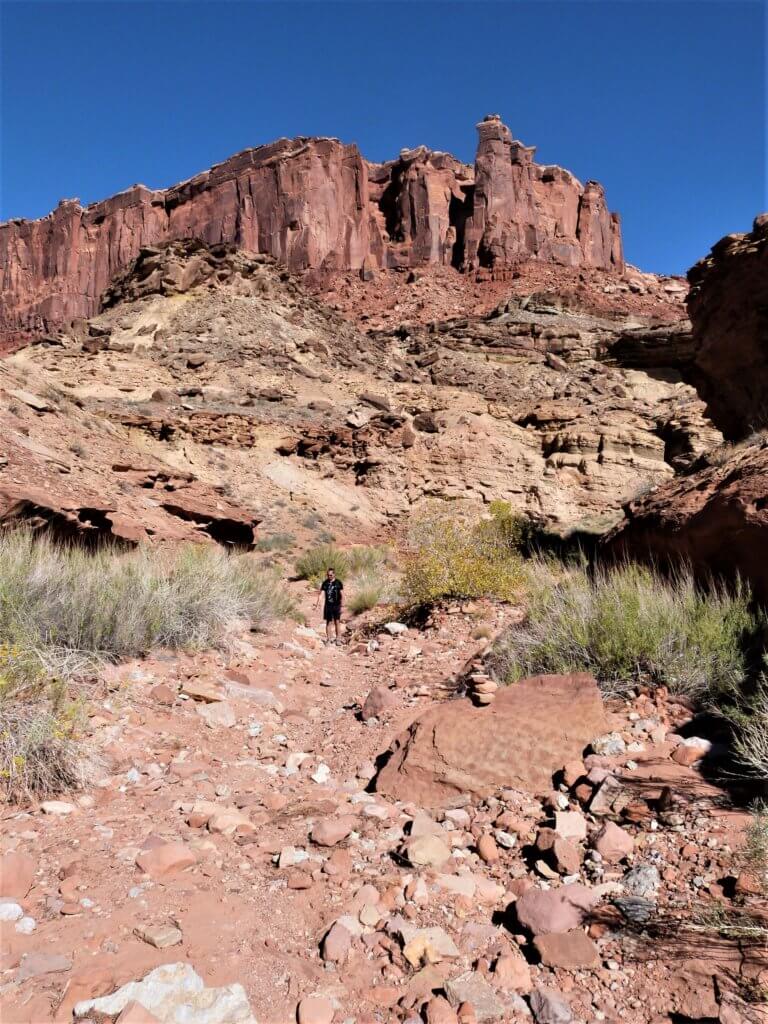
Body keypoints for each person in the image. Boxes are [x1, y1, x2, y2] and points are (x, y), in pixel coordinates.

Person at [317, 567, 344, 644]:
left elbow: (342, 594)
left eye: (331, 575)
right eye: (328, 575)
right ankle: (329, 639)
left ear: (334, 574)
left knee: (337, 622)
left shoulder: (338, 582)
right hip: (328, 605)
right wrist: (317, 604)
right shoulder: (325, 583)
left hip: (337, 605)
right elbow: (321, 594)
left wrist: (342, 606)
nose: (329, 576)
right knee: (328, 622)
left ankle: (338, 638)